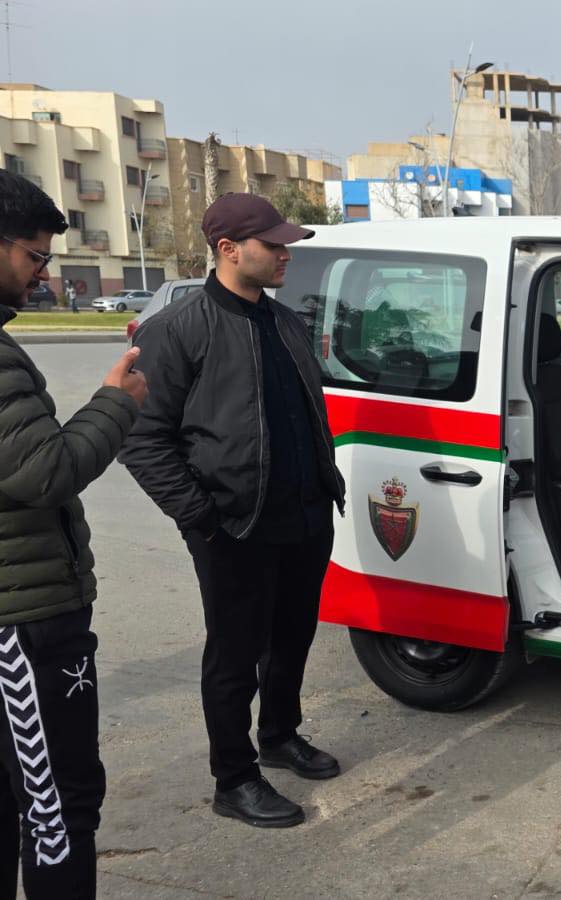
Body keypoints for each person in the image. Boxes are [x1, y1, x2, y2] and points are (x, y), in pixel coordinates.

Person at [121, 193, 347, 829]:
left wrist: (324, 487)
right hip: (232, 525)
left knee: (292, 638)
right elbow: (142, 439)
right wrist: (201, 516)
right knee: (234, 654)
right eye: (273, 245)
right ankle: (235, 777)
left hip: (303, 516)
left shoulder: (287, 323)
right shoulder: (177, 329)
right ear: (228, 250)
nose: (285, 254)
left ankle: (279, 735)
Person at [0, 170, 146, 895]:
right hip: (25, 626)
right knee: (59, 807)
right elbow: (43, 471)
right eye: (35, 256)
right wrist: (115, 403)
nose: (44, 274)